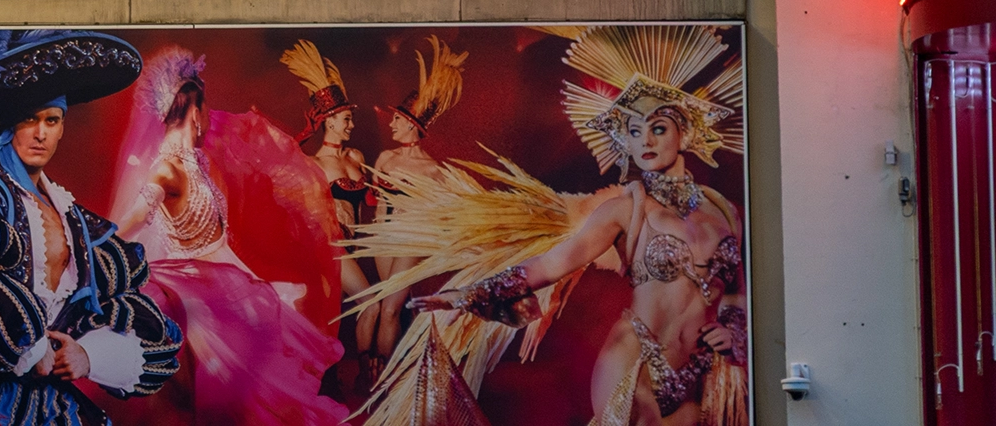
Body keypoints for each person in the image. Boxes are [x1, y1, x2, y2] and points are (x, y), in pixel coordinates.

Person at [352, 28, 747, 426]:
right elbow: (549, 266)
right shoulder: (625, 209)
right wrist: (468, 295)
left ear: (684, 132)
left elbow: (735, 293)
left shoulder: (723, 212)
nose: (645, 140)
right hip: (633, 358)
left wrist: (733, 335)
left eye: (658, 128)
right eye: (633, 131)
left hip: (695, 375)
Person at [0, 29, 179, 426]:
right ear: (9, 125)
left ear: (62, 126)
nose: (41, 133)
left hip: (60, 410)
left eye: (52, 120)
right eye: (29, 119)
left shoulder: (84, 227)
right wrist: (31, 352)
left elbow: (150, 331)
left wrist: (88, 356)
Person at [107, 50, 349, 426]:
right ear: (194, 111)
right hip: (204, 290)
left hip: (230, 278)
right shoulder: (167, 168)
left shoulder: (197, 161)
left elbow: (218, 235)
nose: (209, 119)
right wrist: (100, 246)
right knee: (245, 396)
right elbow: (138, 215)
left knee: (271, 366)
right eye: (205, 110)